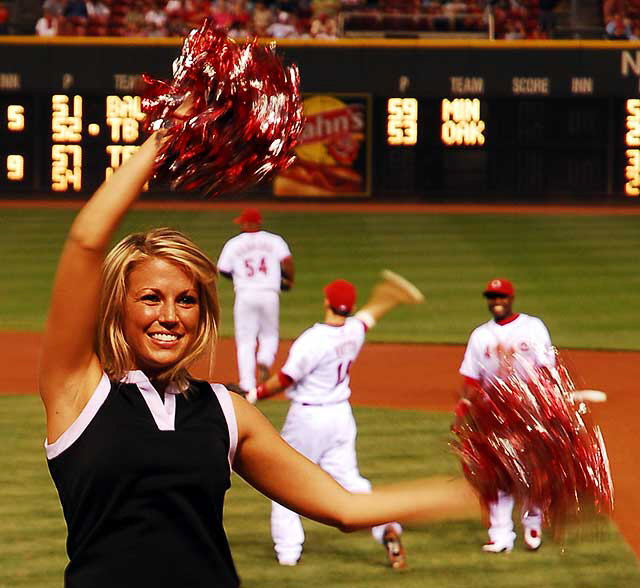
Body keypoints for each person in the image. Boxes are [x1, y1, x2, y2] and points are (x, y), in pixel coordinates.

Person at [39, 128, 478, 587]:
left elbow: (347, 509)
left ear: (203, 313)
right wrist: (172, 131)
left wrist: (476, 494)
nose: (169, 316)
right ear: (119, 306)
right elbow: (86, 241)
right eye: (150, 298)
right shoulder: (78, 391)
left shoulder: (227, 413)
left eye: (186, 301)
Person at [246, 272, 424, 569]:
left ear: (327, 301)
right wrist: (389, 297)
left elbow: (287, 378)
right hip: (341, 416)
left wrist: (255, 393)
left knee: (284, 482)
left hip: (309, 418)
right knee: (351, 483)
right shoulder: (353, 330)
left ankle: (288, 555)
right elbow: (370, 315)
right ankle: (386, 527)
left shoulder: (313, 340)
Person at [458, 278, 555, 553]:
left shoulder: (533, 327)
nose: (496, 300)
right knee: (497, 474)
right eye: (491, 296)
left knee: (531, 472)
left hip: (529, 409)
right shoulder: (480, 335)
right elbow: (472, 379)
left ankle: (533, 523)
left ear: (511, 298)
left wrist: (549, 408)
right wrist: (464, 410)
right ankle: (500, 536)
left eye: (500, 296)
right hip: (493, 415)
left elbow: (548, 368)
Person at [216, 208, 294, 392]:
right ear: (259, 223)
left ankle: (247, 384)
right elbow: (287, 261)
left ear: (244, 224)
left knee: (245, 340)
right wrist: (289, 279)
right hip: (269, 293)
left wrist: (239, 276)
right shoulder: (274, 240)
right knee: (270, 334)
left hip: (245, 294)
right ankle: (265, 359)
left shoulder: (234, 244)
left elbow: (223, 269)